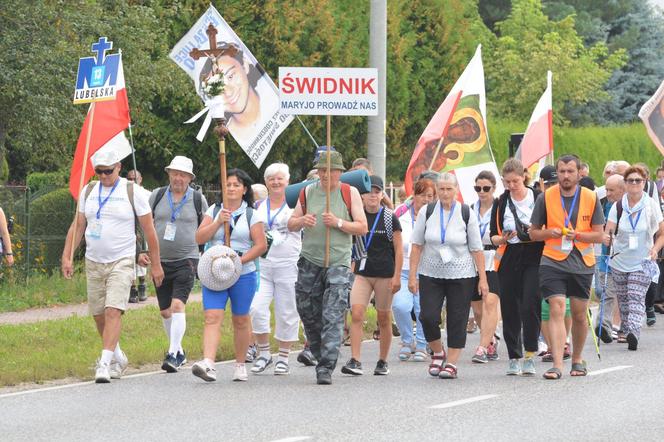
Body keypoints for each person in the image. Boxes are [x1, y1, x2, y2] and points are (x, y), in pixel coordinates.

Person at [61, 150, 164, 383]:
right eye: (99, 171)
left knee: (113, 310)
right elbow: (77, 227)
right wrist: (67, 256)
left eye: (109, 171)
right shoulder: (88, 191)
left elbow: (150, 231)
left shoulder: (132, 191)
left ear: (118, 166)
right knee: (99, 315)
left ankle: (104, 364)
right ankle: (118, 356)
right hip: (94, 260)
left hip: (122, 259)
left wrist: (156, 264)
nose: (104, 175)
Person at [287, 150, 368, 385]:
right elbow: (290, 223)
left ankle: (326, 367)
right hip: (310, 260)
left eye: (330, 170)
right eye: (321, 170)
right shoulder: (307, 192)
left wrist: (339, 222)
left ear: (339, 173)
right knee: (307, 311)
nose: (324, 175)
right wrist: (302, 221)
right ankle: (321, 352)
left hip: (338, 263)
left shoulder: (348, 193)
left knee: (332, 315)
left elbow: (362, 227)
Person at [530, 154, 605, 380]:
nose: (565, 176)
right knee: (557, 307)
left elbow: (600, 236)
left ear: (579, 173)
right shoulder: (546, 197)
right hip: (552, 259)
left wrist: (578, 234)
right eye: (561, 171)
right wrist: (548, 233)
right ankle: (556, 364)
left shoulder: (591, 198)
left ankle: (577, 359)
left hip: (582, 261)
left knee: (580, 314)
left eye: (570, 171)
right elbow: (533, 233)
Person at [409, 173, 488, 379]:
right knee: (427, 316)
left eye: (449, 189)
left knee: (457, 318)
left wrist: (483, 279)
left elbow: (476, 249)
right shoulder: (427, 211)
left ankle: (451, 362)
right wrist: (412, 276)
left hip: (461, 273)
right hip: (430, 272)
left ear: (456, 191)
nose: (445, 193)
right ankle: (437, 351)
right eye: (441, 189)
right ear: (436, 190)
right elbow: (416, 245)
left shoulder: (465, 213)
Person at [191, 168, 267, 382]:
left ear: (244, 189)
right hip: (214, 271)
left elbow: (260, 245)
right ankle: (209, 363)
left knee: (241, 319)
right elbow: (199, 238)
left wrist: (237, 262)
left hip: (243, 272)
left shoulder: (252, 214)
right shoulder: (214, 210)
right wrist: (217, 222)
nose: (231, 188)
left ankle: (240, 363)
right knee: (212, 316)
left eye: (236, 185)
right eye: (228, 184)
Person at [149, 156, 208, 372]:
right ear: (169, 174)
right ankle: (180, 351)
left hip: (187, 258)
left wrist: (204, 254)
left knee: (177, 306)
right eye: (175, 173)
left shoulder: (197, 199)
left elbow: (206, 227)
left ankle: (172, 354)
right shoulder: (156, 196)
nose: (178, 178)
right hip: (160, 261)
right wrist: (145, 253)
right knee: (165, 311)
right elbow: (146, 225)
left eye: (183, 174)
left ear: (190, 178)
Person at [342, 175, 403, 376]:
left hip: (385, 273)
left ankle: (383, 360)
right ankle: (355, 360)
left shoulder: (388, 217)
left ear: (381, 194)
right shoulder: (356, 215)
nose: (373, 196)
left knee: (383, 317)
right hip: (362, 273)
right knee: (357, 313)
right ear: (361, 195)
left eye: (377, 191)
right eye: (369, 192)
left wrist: (396, 277)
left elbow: (399, 249)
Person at [490, 158, 544, 376]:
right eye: (507, 182)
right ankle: (514, 355)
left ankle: (530, 352)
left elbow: (549, 226)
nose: (511, 185)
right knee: (510, 307)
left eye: (515, 181)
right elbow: (492, 236)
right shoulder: (501, 202)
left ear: (524, 176)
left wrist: (535, 230)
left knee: (530, 303)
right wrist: (502, 239)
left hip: (535, 253)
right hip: (510, 255)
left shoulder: (539, 198)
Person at [249, 163, 302, 376]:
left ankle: (283, 356)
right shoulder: (259, 206)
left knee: (287, 310)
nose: (276, 182)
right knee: (256, 307)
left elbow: (300, 225)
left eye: (280, 178)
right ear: (266, 182)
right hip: (263, 264)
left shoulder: (296, 205)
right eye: (271, 179)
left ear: (287, 182)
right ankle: (263, 354)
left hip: (289, 263)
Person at [604, 165, 664, 350]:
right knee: (623, 300)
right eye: (631, 180)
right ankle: (628, 328)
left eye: (638, 180)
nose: (635, 184)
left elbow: (662, 233)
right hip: (619, 261)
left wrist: (655, 249)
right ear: (626, 183)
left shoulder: (651, 206)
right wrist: (608, 238)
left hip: (643, 261)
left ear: (644, 182)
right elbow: (609, 231)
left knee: (635, 296)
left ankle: (634, 332)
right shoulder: (618, 206)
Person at [199, 42, 276, 146]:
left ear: (245, 66)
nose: (228, 92)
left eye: (230, 76)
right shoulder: (228, 137)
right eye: (216, 88)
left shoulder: (275, 102)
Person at [392, 178, 435, 362]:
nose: (426, 199)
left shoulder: (436, 216)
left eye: (430, 196)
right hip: (402, 269)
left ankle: (423, 344)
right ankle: (407, 341)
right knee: (400, 306)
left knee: (423, 309)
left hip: (426, 270)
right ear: (414, 195)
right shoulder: (400, 212)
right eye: (422, 195)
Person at [537, 166, 572, 362]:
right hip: (544, 257)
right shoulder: (539, 199)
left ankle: (564, 341)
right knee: (545, 304)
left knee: (563, 304)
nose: (550, 186)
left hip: (570, 257)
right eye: (547, 183)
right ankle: (552, 346)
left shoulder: (568, 199)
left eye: (553, 183)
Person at [470, 171, 502, 363]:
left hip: (495, 256)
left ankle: (482, 347)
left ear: (493, 188)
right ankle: (490, 338)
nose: (482, 192)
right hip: (474, 258)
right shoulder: (470, 208)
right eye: (478, 188)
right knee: (478, 308)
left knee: (490, 301)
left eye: (486, 188)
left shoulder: (499, 208)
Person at [594, 174, 625, 342]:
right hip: (606, 255)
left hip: (625, 257)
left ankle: (625, 327)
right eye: (606, 189)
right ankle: (603, 326)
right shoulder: (603, 203)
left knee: (624, 294)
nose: (608, 193)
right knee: (606, 290)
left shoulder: (628, 206)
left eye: (611, 190)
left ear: (622, 190)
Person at [126, 169, 152, 303]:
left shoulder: (147, 194)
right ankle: (132, 288)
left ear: (140, 179)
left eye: (135, 178)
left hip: (143, 229)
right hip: (130, 230)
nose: (132, 181)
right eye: (130, 179)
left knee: (143, 256)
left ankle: (142, 285)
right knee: (130, 259)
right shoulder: (125, 194)